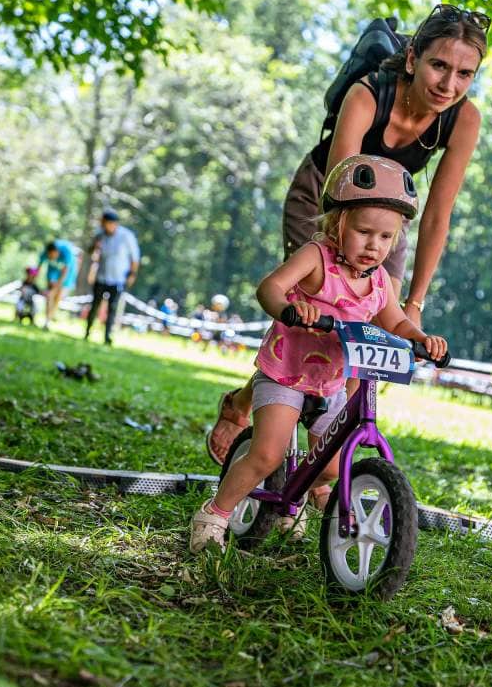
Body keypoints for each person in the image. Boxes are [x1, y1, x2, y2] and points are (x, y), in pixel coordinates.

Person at [206, 3, 489, 465]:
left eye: (464, 74)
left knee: (369, 347)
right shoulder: (368, 95)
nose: (448, 85)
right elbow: (338, 194)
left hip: (389, 217)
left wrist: (412, 304)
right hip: (327, 199)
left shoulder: (463, 118)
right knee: (313, 317)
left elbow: (438, 213)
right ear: (414, 58)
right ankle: (244, 404)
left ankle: (322, 467)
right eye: (439, 65)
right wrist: (335, 279)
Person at [190, 155, 448, 552]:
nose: (373, 246)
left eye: (385, 238)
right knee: (267, 454)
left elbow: (395, 322)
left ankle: (299, 502)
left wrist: (421, 338)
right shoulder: (317, 257)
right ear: (338, 222)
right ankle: (215, 514)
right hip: (286, 373)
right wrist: (291, 310)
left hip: (331, 385)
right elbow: (270, 288)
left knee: (329, 465)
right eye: (364, 232)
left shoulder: (379, 281)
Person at [84, 209, 140, 346]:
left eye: (105, 223)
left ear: (113, 223)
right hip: (101, 277)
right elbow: (90, 252)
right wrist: (94, 246)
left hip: (118, 279)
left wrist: (132, 275)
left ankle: (107, 336)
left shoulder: (126, 236)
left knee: (112, 308)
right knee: (95, 305)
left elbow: (135, 258)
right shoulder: (100, 235)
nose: (104, 226)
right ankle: (87, 332)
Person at [39, 239, 79, 328]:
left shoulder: (67, 252)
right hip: (53, 271)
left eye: (53, 255)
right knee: (50, 296)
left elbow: (65, 272)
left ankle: (50, 317)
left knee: (58, 297)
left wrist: (57, 286)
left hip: (68, 274)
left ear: (57, 252)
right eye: (49, 256)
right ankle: (47, 320)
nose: (51, 258)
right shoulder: (45, 253)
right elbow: (39, 267)